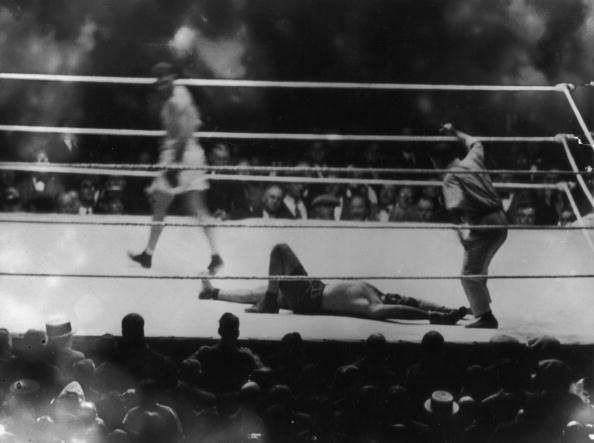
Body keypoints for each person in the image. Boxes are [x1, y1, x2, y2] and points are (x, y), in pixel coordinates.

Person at [199, 243, 468, 325]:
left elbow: (400, 312)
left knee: (279, 250)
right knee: (258, 292)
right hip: (312, 290)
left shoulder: (372, 304)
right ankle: (214, 292)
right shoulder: (381, 294)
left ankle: (268, 303)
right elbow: (414, 302)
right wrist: (447, 309)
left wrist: (433, 318)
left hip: (310, 298)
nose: (399, 299)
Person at [128, 62, 223, 273]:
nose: (162, 86)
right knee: (192, 206)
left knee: (164, 203)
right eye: (159, 83)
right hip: (191, 155)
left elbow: (182, 133)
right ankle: (215, 254)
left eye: (165, 81)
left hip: (181, 157)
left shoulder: (175, 101)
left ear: (172, 77)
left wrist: (174, 167)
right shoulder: (182, 92)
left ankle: (148, 254)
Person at [431, 123, 508, 329]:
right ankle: (478, 308)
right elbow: (475, 141)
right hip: (501, 219)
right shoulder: (472, 159)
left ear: (436, 162)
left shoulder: (451, 177)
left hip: (484, 223)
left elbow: (455, 208)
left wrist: (462, 236)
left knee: (469, 274)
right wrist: (454, 131)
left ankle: (486, 316)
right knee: (479, 270)